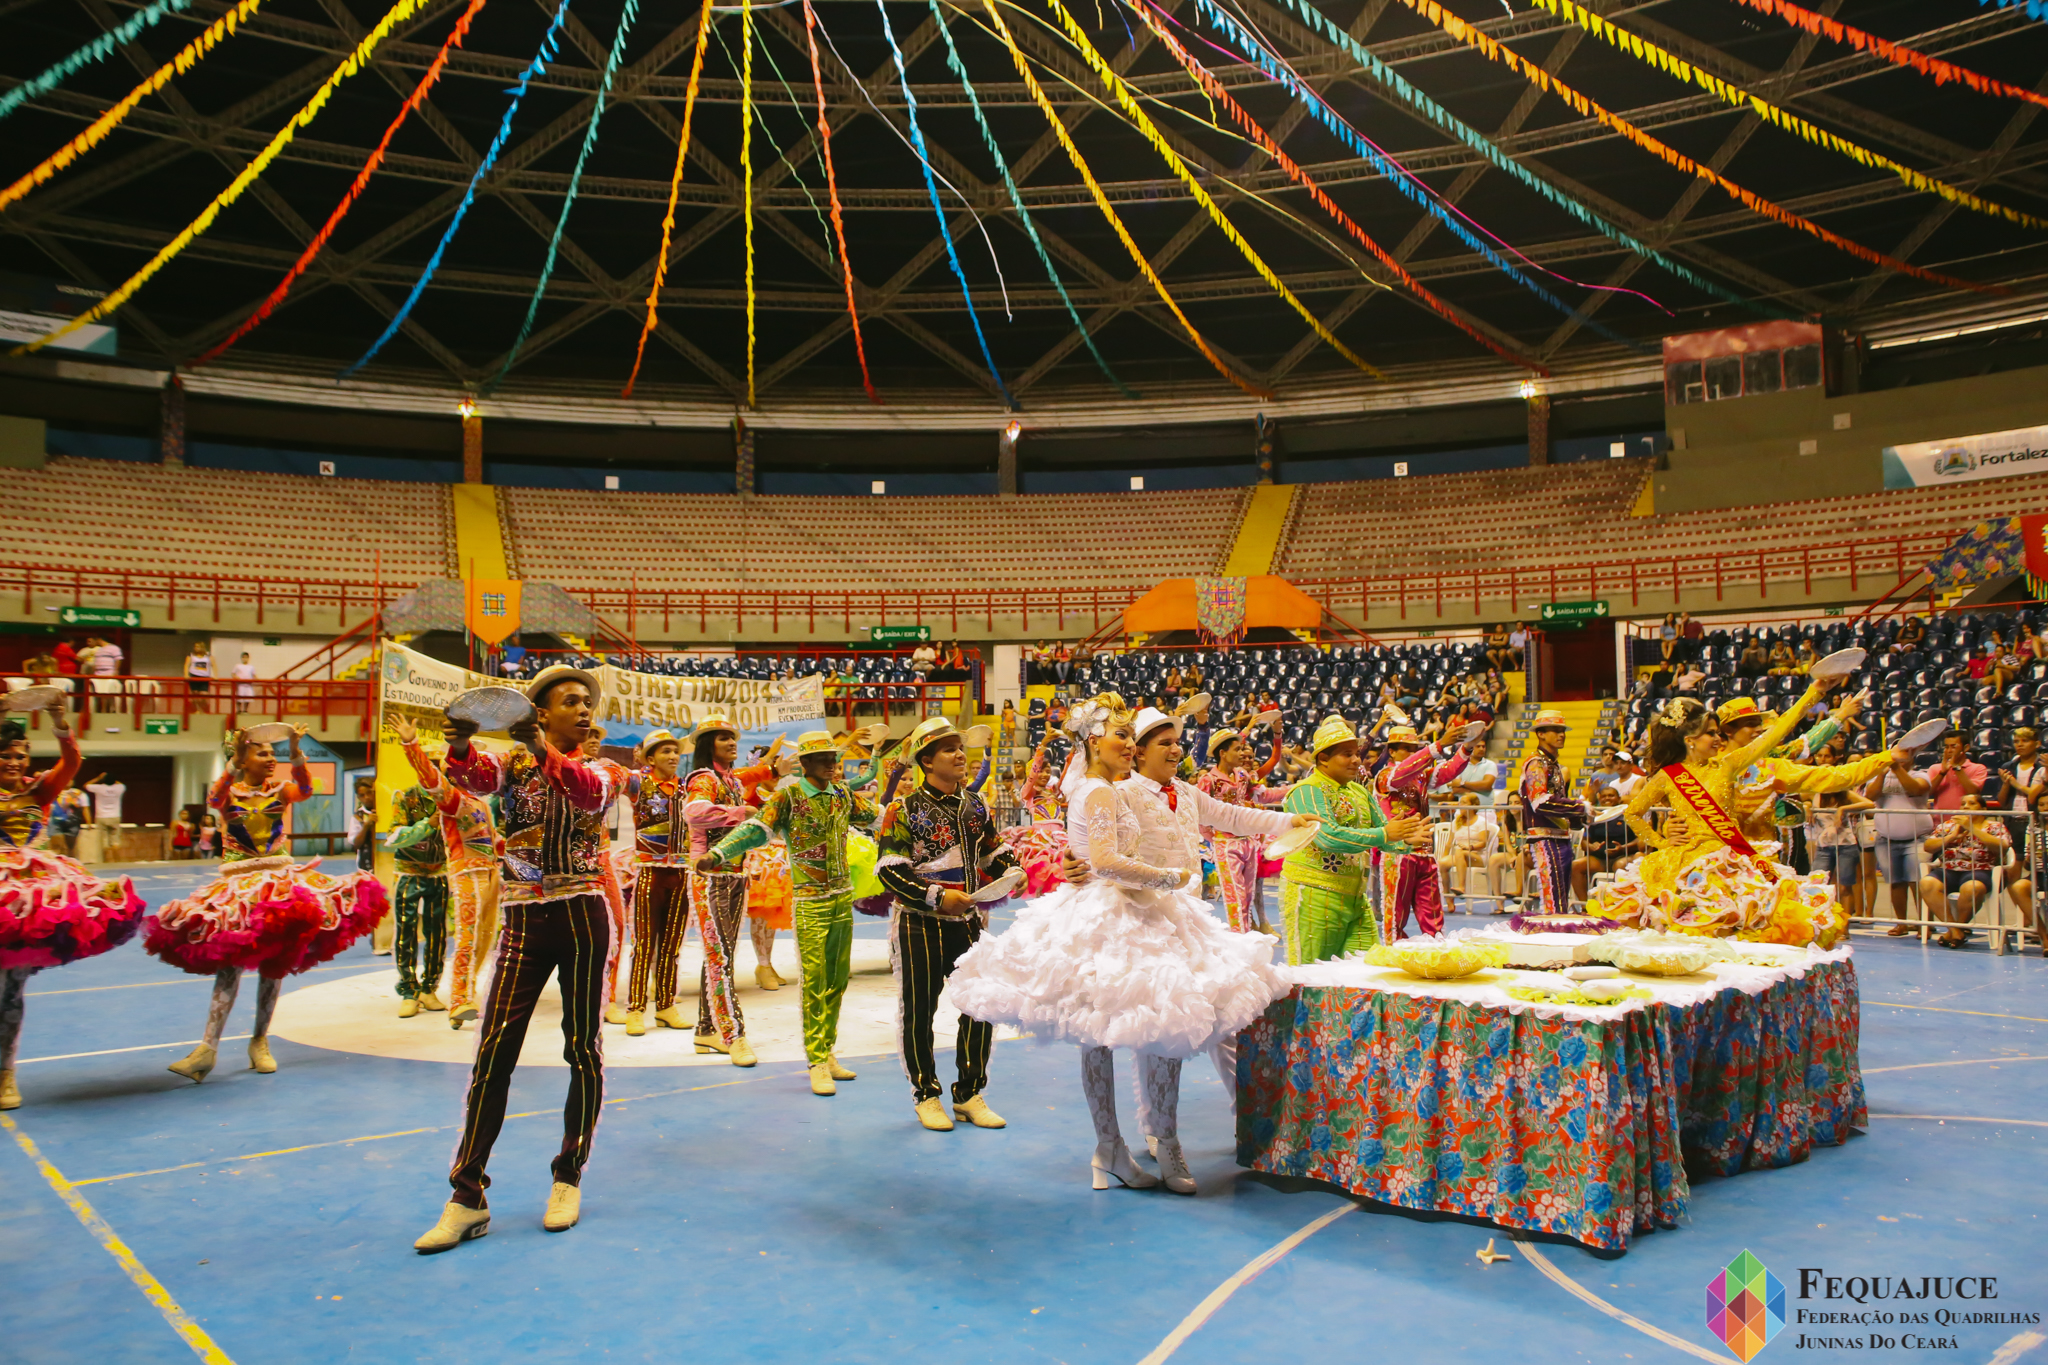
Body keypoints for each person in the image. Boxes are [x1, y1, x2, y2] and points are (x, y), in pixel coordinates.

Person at [945, 698, 1297, 1194]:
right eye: (1127, 736)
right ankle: (1131, 1142)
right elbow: (1104, 857)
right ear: (1097, 741)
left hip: (1149, 910)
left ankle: (1136, 1143)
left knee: (1145, 1024)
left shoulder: (1140, 789)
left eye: (1136, 736)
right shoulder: (1110, 790)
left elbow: (1227, 816)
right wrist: (1166, 877)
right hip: (1124, 912)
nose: (1133, 745)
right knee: (1133, 1022)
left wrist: (1288, 821)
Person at [413, 666, 619, 1251]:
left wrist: (538, 748)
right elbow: (471, 777)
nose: (584, 709)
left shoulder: (603, 769)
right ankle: (466, 1196)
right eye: (570, 702)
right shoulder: (511, 764)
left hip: (582, 916)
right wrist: (458, 743)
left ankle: (568, 1176)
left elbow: (585, 792)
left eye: (587, 702)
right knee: (493, 1053)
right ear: (540, 713)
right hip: (524, 919)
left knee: (582, 1048)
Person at [148, 725, 387, 1083]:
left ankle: (259, 1041)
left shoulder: (281, 790)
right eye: (262, 753)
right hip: (238, 888)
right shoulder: (229, 794)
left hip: (278, 885)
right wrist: (231, 763)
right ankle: (207, 1048)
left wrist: (296, 751)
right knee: (229, 965)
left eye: (274, 753)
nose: (271, 758)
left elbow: (305, 789)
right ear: (242, 760)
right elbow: (214, 798)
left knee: (274, 964)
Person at [1603, 678, 1910, 945]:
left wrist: (1814, 694)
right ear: (1691, 740)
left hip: (1737, 857)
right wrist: (1662, 840)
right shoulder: (1670, 775)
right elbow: (1633, 812)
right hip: (1685, 862)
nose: (1719, 738)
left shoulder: (1731, 765)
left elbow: (1778, 736)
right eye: (1713, 733)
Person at [701, 730, 879, 1096]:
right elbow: (755, 830)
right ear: (806, 763)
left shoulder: (842, 794)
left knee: (837, 979)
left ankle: (827, 1049)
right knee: (814, 979)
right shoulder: (789, 797)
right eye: (823, 758)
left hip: (841, 898)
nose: (832, 764)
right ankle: (816, 1059)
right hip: (810, 901)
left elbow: (876, 817)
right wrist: (718, 853)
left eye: (834, 757)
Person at [875, 716, 1022, 1131]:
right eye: (950, 749)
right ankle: (926, 1094)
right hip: (918, 925)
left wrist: (1013, 868)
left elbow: (992, 850)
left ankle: (969, 1093)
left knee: (981, 1005)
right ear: (926, 760)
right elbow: (889, 871)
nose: (960, 755)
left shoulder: (975, 804)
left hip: (969, 922)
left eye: (960, 747)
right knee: (919, 1011)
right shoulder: (902, 809)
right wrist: (938, 897)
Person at [0, 698, 147, 1110]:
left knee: (11, 989)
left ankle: (6, 1073)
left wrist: (58, 720)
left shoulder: (40, 789)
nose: (14, 762)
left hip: (30, 895)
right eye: (5, 755)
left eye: (20, 756)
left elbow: (72, 761)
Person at [1280, 714, 1427, 963]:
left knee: (1366, 971)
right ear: (1323, 758)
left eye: (1356, 754)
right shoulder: (1306, 791)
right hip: (1314, 895)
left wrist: (1406, 840)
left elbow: (1383, 833)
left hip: (1356, 898)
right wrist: (1386, 833)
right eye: (1347, 754)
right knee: (1310, 973)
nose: (1356, 760)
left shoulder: (1359, 791)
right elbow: (1326, 836)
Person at [389, 715, 503, 1028]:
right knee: (467, 935)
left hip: (490, 873)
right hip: (465, 873)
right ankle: (458, 998)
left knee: (485, 937)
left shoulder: (480, 802)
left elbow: (493, 840)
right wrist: (411, 745)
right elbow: (429, 779)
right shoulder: (451, 799)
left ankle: (465, 992)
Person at [680, 713, 772, 1068]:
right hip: (711, 878)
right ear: (709, 745)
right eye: (723, 738)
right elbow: (694, 812)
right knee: (720, 957)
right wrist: (740, 812)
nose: (732, 742)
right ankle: (732, 1035)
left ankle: (707, 1029)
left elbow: (753, 779)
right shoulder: (704, 778)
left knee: (722, 956)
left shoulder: (730, 780)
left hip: (733, 876)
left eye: (733, 737)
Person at [1372, 719, 1474, 940]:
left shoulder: (1421, 776)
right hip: (1398, 853)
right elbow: (1401, 774)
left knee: (1433, 918)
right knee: (1395, 918)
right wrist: (1438, 746)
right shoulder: (1385, 776)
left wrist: (1467, 747)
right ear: (1392, 752)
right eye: (1406, 749)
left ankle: (1435, 952)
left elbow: (1448, 770)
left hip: (1424, 853)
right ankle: (1395, 955)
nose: (1411, 753)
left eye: (1414, 749)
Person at [619, 729, 687, 1037]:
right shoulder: (638, 783)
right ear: (650, 758)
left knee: (672, 944)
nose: (673, 756)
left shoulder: (687, 788)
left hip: (680, 873)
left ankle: (666, 1006)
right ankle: (635, 1008)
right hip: (649, 872)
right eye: (665, 752)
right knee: (644, 943)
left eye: (675, 751)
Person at [1196, 724, 1287, 933]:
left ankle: (1247, 936)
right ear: (1222, 753)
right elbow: (1199, 814)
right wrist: (1214, 837)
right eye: (1237, 750)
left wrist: (1292, 788)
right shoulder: (1208, 781)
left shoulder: (1243, 776)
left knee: (1247, 895)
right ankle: (1240, 940)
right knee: (1234, 897)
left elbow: (1265, 795)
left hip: (1249, 841)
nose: (1241, 754)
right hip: (1226, 842)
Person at [1920, 795, 2032, 949]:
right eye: (1963, 803)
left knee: (1972, 887)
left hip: (1981, 869)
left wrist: (1972, 828)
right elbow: (1928, 846)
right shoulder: (1949, 825)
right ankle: (1955, 930)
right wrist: (1952, 836)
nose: (1965, 806)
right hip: (1949, 868)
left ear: (1983, 809)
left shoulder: (1994, 826)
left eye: (1971, 803)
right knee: (1927, 883)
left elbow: (2002, 847)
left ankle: (1957, 929)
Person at [385, 770, 450, 1019]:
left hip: (439, 871)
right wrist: (426, 825)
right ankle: (409, 991)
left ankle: (429, 988)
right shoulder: (405, 797)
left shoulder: (451, 797)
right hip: (408, 871)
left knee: (437, 932)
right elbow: (394, 836)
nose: (434, 771)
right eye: (428, 765)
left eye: (438, 766)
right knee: (406, 930)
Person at [1517, 710, 1587, 917]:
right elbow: (1540, 802)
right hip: (1545, 837)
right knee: (1553, 900)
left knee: (1560, 898)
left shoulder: (1552, 765)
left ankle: (1557, 928)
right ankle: (1552, 930)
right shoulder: (1536, 763)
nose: (1561, 735)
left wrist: (1581, 813)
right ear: (1541, 734)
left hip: (1559, 836)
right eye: (1555, 730)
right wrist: (1580, 807)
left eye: (1562, 731)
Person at [1867, 749, 1933, 936]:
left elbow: (1915, 790)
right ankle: (1901, 923)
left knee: (1917, 883)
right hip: (1886, 839)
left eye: (1903, 756)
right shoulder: (1878, 777)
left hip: (1917, 839)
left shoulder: (1920, 775)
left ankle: (1925, 924)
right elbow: (1870, 796)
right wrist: (1882, 773)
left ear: (1912, 758)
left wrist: (1896, 768)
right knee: (1895, 883)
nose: (1898, 759)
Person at [1439, 793, 1497, 905]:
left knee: (1459, 852)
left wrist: (1470, 847)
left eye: (1464, 803)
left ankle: (1461, 886)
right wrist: (1444, 856)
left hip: (1477, 856)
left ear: (1473, 806)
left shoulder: (1481, 822)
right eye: (1460, 803)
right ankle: (1448, 897)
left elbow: (1483, 843)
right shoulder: (1457, 822)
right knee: (1442, 863)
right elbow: (1449, 843)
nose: (1461, 805)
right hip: (1460, 855)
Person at [81, 771, 125, 860]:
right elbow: (121, 784)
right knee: (115, 840)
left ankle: (106, 861)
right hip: (115, 816)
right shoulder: (120, 788)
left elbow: (86, 785)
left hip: (101, 816)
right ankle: (117, 860)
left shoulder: (99, 788)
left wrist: (98, 778)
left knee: (103, 841)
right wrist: (113, 780)